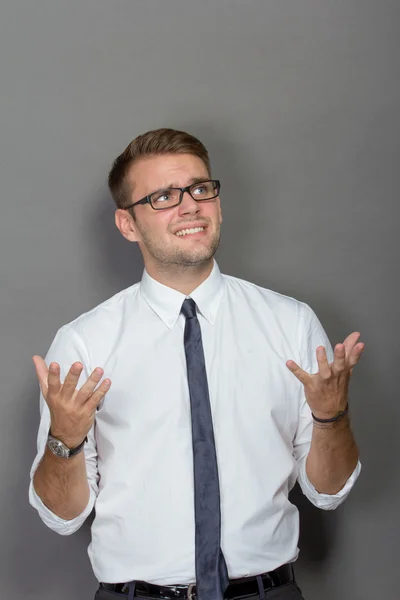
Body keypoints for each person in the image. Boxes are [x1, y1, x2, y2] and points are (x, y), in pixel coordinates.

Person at [29, 128, 363, 600]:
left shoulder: (292, 324)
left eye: (200, 189)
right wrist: (64, 440)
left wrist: (332, 416)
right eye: (164, 196)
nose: (190, 206)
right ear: (127, 225)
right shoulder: (86, 344)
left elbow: (328, 492)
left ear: (218, 204)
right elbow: (62, 517)